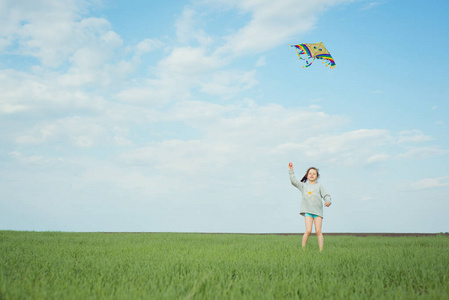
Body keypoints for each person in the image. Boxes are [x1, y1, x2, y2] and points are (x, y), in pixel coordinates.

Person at [288, 162, 331, 251]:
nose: (312, 175)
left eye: (314, 174)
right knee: (308, 230)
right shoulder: (304, 186)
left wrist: (328, 201)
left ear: (317, 176)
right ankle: (303, 249)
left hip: (318, 212)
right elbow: (294, 181)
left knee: (318, 231)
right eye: (310, 173)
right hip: (308, 211)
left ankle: (321, 250)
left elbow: (326, 195)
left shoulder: (319, 186)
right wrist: (291, 170)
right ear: (307, 176)